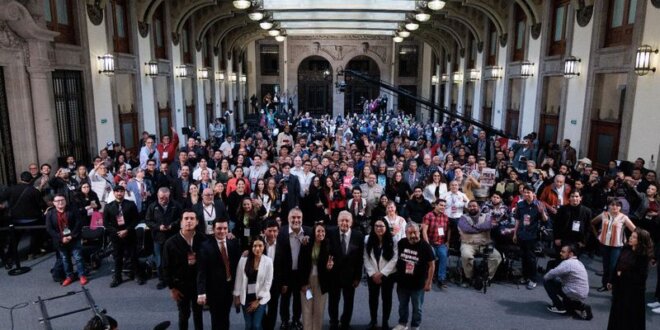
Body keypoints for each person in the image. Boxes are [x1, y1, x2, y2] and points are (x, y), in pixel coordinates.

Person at [162, 210, 205, 330]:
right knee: (183, 315)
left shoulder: (203, 239)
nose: (189, 221)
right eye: (186, 219)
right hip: (180, 286)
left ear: (197, 222)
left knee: (198, 315)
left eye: (192, 218)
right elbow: (165, 267)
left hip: (198, 284)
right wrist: (172, 288)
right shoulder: (170, 243)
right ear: (181, 222)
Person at [607, 228, 655, 330]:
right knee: (616, 314)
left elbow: (640, 278)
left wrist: (622, 274)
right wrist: (612, 280)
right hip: (620, 289)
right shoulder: (626, 248)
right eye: (631, 236)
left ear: (640, 241)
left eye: (634, 237)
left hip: (633, 294)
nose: (630, 238)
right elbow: (617, 265)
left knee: (628, 319)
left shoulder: (643, 257)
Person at [197, 220, 241, 330]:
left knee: (226, 315)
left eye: (225, 228)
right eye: (219, 228)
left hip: (229, 287)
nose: (222, 231)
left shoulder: (234, 243)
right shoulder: (205, 246)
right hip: (214, 289)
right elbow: (201, 270)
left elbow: (237, 266)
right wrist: (201, 292)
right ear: (214, 229)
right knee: (216, 318)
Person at [327, 211, 365, 330]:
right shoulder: (330, 232)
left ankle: (345, 322)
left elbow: (360, 258)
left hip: (350, 276)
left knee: (349, 301)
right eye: (341, 220)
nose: (344, 223)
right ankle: (333, 321)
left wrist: (358, 277)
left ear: (351, 222)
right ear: (337, 221)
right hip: (334, 275)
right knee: (333, 300)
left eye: (347, 220)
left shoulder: (358, 235)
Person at [393, 223, 434, 330]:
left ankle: (415, 325)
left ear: (419, 232)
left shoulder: (425, 246)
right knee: (402, 306)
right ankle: (402, 323)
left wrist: (429, 282)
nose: (413, 235)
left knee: (417, 308)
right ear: (406, 233)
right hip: (402, 283)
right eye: (410, 233)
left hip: (418, 284)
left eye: (415, 232)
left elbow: (431, 265)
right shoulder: (401, 243)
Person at [590, 199, 636, 292]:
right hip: (604, 244)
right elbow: (592, 223)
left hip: (617, 246)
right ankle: (605, 285)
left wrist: (631, 241)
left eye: (618, 205)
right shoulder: (604, 214)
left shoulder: (624, 217)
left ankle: (613, 285)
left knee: (613, 266)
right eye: (612, 205)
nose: (615, 207)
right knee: (605, 266)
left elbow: (635, 230)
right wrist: (597, 235)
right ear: (609, 206)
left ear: (620, 207)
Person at [103, 185, 145, 287]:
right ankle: (117, 278)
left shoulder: (130, 204)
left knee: (133, 256)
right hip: (116, 236)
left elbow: (136, 219)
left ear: (124, 192)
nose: (119, 193)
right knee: (118, 257)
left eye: (121, 191)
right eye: (117, 191)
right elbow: (106, 223)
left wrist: (126, 230)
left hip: (130, 234)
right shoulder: (108, 206)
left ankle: (137, 275)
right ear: (114, 193)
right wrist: (117, 232)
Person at [277, 208, 311, 330]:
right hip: (286, 273)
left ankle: (296, 320)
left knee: (298, 299)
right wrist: (282, 280)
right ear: (288, 218)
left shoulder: (309, 232)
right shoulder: (281, 232)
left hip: (301, 274)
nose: (296, 220)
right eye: (293, 217)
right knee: (285, 299)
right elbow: (279, 259)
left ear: (302, 219)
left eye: (299, 218)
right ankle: (285, 321)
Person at [45, 194, 87, 286]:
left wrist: (71, 236)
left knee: (78, 258)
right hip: (60, 241)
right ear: (54, 203)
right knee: (65, 259)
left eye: (62, 200)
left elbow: (78, 223)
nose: (60, 202)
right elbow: (49, 229)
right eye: (57, 201)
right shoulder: (50, 213)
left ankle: (82, 275)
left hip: (74, 238)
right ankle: (69, 276)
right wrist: (61, 238)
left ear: (65, 201)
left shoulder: (72, 210)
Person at [457, 201, 502, 287]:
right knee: (466, 256)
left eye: (474, 206)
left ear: (479, 207)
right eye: (470, 206)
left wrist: (474, 227)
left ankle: (486, 277)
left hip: (485, 244)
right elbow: (466, 229)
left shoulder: (487, 216)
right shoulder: (463, 218)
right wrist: (480, 228)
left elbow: (488, 226)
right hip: (468, 244)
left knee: (496, 256)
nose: (472, 208)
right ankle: (469, 277)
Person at [145, 187, 183, 290]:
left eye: (166, 198)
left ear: (169, 196)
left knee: (174, 258)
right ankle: (162, 280)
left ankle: (175, 278)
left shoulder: (176, 205)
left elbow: (181, 219)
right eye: (161, 198)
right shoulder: (152, 206)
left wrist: (172, 225)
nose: (163, 200)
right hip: (158, 237)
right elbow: (148, 221)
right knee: (160, 260)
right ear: (157, 196)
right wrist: (158, 227)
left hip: (173, 236)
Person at [543, 244, 592, 320]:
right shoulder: (578, 262)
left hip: (573, 291)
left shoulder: (567, 263)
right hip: (582, 293)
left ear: (571, 254)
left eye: (563, 252)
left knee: (547, 281)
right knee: (566, 301)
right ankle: (582, 307)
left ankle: (559, 307)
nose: (560, 253)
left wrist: (545, 276)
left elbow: (552, 273)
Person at [364, 219, 398, 330]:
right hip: (372, 275)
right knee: (373, 299)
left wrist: (382, 273)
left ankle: (385, 322)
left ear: (386, 227)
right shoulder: (367, 239)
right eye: (376, 226)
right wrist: (373, 273)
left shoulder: (393, 240)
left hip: (388, 275)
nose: (379, 228)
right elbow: (365, 257)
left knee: (387, 299)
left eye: (382, 226)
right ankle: (373, 320)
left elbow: (394, 259)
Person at [233, 237, 273, 330]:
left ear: (264, 247)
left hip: (261, 298)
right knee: (249, 326)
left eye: (260, 246)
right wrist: (236, 296)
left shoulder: (268, 262)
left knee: (256, 325)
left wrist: (257, 301)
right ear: (251, 247)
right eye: (255, 246)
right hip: (246, 297)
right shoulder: (243, 260)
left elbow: (268, 283)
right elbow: (238, 279)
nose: (257, 248)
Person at [513, 185, 548, 290]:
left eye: (529, 192)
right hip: (521, 234)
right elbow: (518, 220)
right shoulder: (520, 204)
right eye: (525, 192)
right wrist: (515, 233)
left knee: (531, 258)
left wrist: (542, 212)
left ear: (534, 194)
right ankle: (525, 276)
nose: (526, 194)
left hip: (532, 236)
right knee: (523, 257)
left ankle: (533, 279)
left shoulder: (539, 205)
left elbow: (546, 221)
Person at [298, 222, 331, 330]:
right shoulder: (306, 244)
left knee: (319, 309)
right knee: (307, 308)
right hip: (307, 280)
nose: (321, 233)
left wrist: (329, 268)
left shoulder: (328, 246)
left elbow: (331, 267)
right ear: (314, 232)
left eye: (323, 231)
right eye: (318, 231)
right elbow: (301, 264)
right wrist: (303, 283)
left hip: (322, 282)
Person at [421, 199, 450, 288]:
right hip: (430, 243)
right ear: (435, 205)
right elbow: (424, 231)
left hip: (441, 243)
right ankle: (429, 277)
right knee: (431, 257)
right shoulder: (428, 216)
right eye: (441, 205)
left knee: (443, 256)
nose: (443, 207)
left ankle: (441, 279)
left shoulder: (445, 217)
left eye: (444, 206)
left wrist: (448, 241)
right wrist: (427, 244)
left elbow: (449, 230)